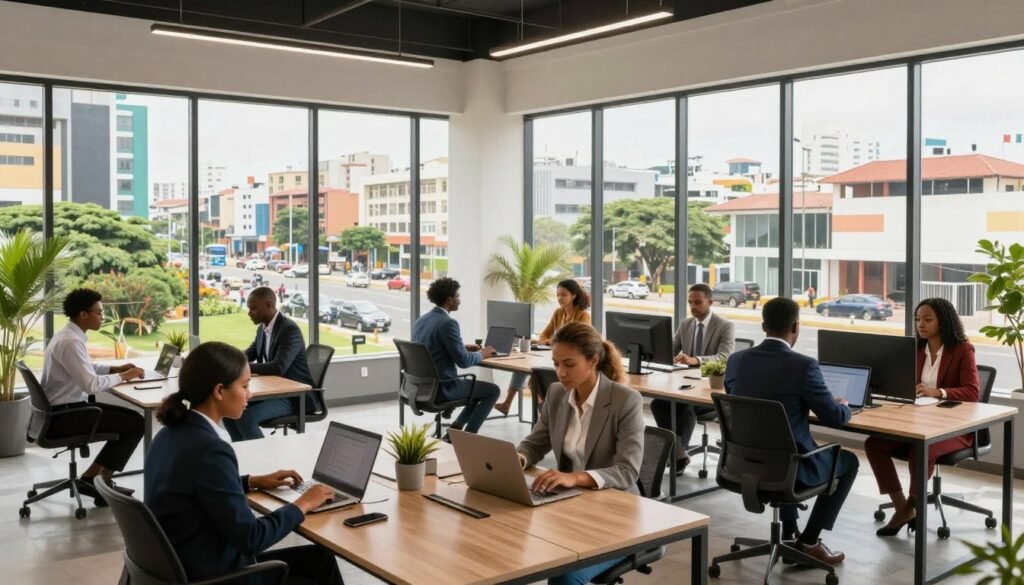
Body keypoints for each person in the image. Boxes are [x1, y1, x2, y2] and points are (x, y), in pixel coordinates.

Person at [145, 342, 343, 585]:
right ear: (219, 390)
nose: (249, 394)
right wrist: (304, 503)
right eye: (245, 386)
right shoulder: (210, 449)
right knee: (319, 564)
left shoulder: (168, 434)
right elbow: (251, 538)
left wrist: (251, 482)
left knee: (319, 559)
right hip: (217, 575)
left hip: (185, 564)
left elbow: (194, 490)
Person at [724, 298, 858, 565]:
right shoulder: (804, 366)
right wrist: (844, 406)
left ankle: (789, 529)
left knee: (781, 445)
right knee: (849, 461)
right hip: (789, 470)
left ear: (763, 326)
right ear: (796, 326)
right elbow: (834, 418)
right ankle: (808, 542)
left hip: (743, 465)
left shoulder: (736, 361)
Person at [516, 322, 644, 585]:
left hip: (615, 515)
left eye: (569, 364)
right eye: (556, 364)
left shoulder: (625, 400)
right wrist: (520, 457)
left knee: (564, 576)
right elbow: (536, 443)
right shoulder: (555, 393)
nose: (561, 373)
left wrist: (575, 478)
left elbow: (627, 471)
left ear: (593, 360)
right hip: (571, 507)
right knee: (512, 553)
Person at [865, 297, 979, 537]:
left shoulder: (962, 350)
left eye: (927, 319)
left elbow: (972, 391)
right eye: (918, 319)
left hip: (954, 428)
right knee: (874, 444)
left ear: (943, 321)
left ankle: (912, 504)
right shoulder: (916, 350)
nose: (920, 324)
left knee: (921, 450)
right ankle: (902, 508)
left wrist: (938, 392)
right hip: (917, 422)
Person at [40, 288, 145, 504]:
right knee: (135, 423)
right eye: (99, 312)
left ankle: (93, 478)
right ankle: (101, 482)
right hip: (65, 417)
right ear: (84, 314)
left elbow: (85, 367)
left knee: (131, 420)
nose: (102, 317)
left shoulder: (68, 336)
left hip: (62, 411)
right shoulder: (71, 342)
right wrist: (125, 376)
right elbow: (90, 384)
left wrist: (114, 370)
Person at [650, 283, 735, 473]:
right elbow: (669, 350)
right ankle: (678, 452)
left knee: (684, 406)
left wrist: (695, 359)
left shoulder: (725, 326)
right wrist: (660, 355)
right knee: (658, 403)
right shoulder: (686, 324)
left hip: (710, 388)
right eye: (690, 303)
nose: (693, 306)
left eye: (698, 302)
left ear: (710, 302)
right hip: (685, 383)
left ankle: (678, 454)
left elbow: (725, 358)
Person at [224, 286, 317, 442]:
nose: (249, 313)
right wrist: (227, 361)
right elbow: (249, 354)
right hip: (274, 391)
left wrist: (243, 368)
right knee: (229, 410)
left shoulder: (288, 329)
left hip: (292, 397)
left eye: (253, 309)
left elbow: (278, 367)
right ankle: (244, 455)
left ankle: (261, 459)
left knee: (246, 417)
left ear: (268, 305)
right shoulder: (263, 328)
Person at [412, 277, 500, 436]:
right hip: (443, 388)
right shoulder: (448, 323)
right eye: (458, 296)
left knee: (476, 391)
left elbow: (430, 347)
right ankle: (467, 437)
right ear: (449, 300)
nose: (460, 300)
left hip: (420, 387)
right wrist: (482, 353)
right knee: (492, 391)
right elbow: (464, 361)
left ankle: (455, 430)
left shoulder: (421, 320)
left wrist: (462, 347)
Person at [495, 279, 592, 416]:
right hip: (552, 355)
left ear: (574, 295)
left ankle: (544, 411)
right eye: (558, 295)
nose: (560, 298)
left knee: (534, 381)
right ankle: (508, 403)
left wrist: (550, 342)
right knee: (523, 363)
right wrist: (543, 341)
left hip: (569, 359)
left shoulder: (583, 315)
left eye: (564, 295)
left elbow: (579, 340)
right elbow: (544, 334)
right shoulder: (559, 313)